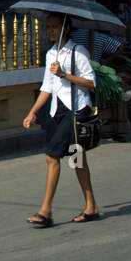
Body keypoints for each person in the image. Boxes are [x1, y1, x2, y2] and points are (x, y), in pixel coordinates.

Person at [23, 14, 100, 225]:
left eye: (55, 26)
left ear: (66, 29)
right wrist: (33, 112)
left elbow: (91, 82)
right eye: (48, 27)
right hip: (58, 111)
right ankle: (91, 206)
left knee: (52, 155)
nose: (51, 30)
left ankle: (45, 211)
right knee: (77, 157)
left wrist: (64, 75)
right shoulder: (51, 54)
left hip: (76, 110)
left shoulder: (78, 51)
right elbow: (47, 87)